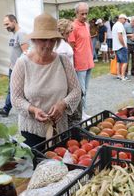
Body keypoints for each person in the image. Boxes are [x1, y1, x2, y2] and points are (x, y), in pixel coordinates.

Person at [11, 13, 81, 147]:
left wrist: (63, 104)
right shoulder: (23, 63)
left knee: (60, 165)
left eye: (52, 40)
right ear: (35, 39)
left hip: (59, 129)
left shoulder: (63, 61)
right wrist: (33, 110)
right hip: (31, 131)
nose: (48, 45)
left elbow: (76, 91)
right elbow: (16, 98)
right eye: (44, 39)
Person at [0, 14, 29, 117]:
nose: (6, 27)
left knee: (17, 89)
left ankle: (9, 109)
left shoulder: (21, 34)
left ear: (14, 21)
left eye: (7, 24)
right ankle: (7, 109)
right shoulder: (14, 34)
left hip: (18, 69)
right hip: (12, 67)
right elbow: (14, 51)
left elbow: (25, 52)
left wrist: (19, 67)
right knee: (12, 88)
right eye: (4, 25)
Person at [68, 2, 94, 113]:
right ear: (76, 13)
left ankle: (83, 113)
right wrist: (72, 65)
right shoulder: (73, 27)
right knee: (81, 91)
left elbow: (88, 43)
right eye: (82, 14)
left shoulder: (87, 25)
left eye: (86, 13)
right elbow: (71, 48)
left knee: (86, 90)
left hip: (89, 62)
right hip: (79, 64)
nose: (84, 16)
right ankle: (81, 114)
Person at [56, 18, 83, 127]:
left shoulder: (61, 43)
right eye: (69, 31)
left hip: (70, 78)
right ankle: (74, 134)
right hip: (68, 81)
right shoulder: (61, 46)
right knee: (74, 113)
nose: (71, 32)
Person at [112, 14, 128, 81]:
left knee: (118, 61)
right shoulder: (120, 25)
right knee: (125, 61)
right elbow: (119, 35)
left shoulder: (115, 25)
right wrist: (124, 44)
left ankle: (118, 75)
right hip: (121, 46)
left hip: (116, 46)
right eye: (125, 19)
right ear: (121, 18)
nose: (125, 21)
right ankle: (123, 76)